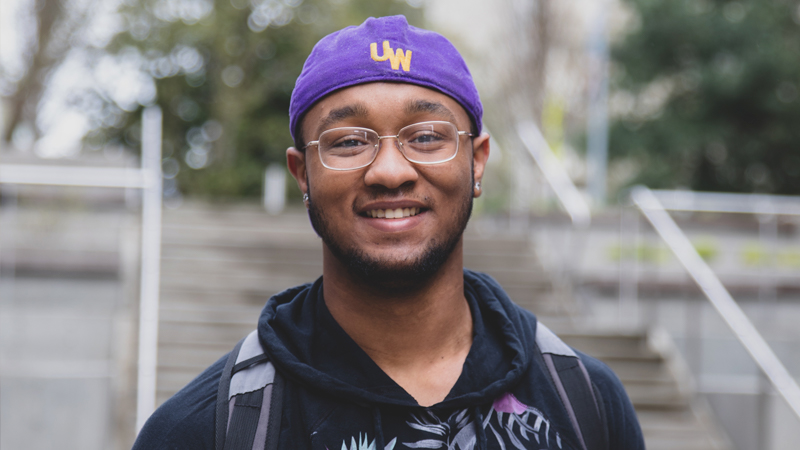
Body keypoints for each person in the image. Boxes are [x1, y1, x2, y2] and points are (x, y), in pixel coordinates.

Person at [133, 15, 644, 450]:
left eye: (425, 136)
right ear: (302, 175)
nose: (389, 171)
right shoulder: (205, 429)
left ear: (478, 161)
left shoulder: (587, 405)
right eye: (350, 141)